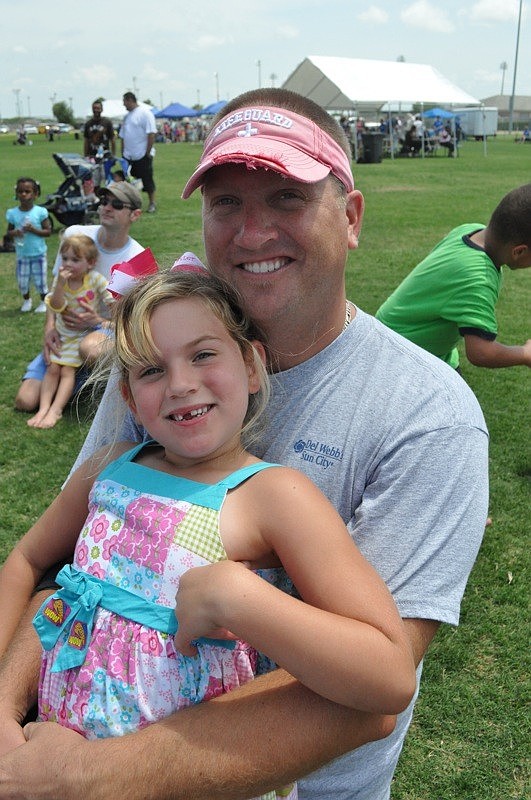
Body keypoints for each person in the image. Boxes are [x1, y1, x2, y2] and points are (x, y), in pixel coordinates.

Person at [0, 88, 489, 800]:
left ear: (349, 217)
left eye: (288, 197)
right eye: (227, 202)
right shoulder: (157, 361)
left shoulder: (426, 417)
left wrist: (80, 775)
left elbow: (372, 694)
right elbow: (71, 568)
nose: (252, 231)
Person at [0, 268, 417, 800]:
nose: (180, 384)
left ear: (251, 365)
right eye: (151, 370)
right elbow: (28, 564)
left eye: (202, 355)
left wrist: (241, 601)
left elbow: (388, 675)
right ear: (129, 399)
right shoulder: (107, 468)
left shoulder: (273, 495)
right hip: (52, 766)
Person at [14, 182, 144, 415]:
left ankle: (97, 380)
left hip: (102, 334)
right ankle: (74, 376)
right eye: (103, 201)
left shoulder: (136, 258)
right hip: (66, 332)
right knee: (25, 401)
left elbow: (131, 325)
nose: (106, 207)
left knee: (90, 348)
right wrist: (49, 329)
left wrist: (96, 322)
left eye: (116, 204)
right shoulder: (76, 235)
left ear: (135, 214)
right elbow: (56, 289)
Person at [376, 184, 531, 370]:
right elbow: (481, 352)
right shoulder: (478, 277)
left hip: (420, 347)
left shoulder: (471, 230)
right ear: (519, 251)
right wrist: (525, 353)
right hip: (398, 354)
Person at [26, 235, 113, 429]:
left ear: (90, 263)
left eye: (75, 260)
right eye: (65, 259)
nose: (68, 264)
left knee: (66, 370)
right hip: (63, 334)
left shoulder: (95, 279)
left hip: (82, 335)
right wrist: (58, 285)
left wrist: (104, 319)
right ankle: (43, 409)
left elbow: (111, 299)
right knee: (52, 368)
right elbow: (56, 305)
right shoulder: (61, 281)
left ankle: (56, 410)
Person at [5, 177, 51, 313]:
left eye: (27, 191)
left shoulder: (40, 212)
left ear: (35, 194)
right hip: (22, 254)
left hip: (38, 253)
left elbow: (47, 232)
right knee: (22, 281)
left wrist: (33, 230)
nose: (23, 194)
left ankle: (43, 302)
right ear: (16, 193)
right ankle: (27, 300)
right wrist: (16, 232)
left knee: (40, 280)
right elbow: (9, 232)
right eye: (20, 191)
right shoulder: (13, 213)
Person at [120, 91, 157, 213]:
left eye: (124, 101)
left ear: (130, 100)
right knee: (130, 182)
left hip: (142, 154)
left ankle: (152, 203)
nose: (124, 104)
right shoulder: (126, 117)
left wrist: (147, 152)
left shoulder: (145, 113)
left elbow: (151, 133)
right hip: (128, 155)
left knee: (147, 180)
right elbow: (123, 136)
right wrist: (123, 152)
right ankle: (133, 204)